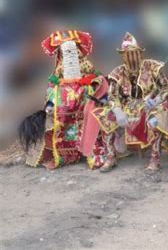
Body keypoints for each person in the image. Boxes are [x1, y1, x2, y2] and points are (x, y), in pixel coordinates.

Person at [93, 33, 168, 180]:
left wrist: (155, 100)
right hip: (126, 106)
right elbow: (112, 96)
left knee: (155, 120)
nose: (131, 57)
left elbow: (166, 89)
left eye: (134, 53)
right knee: (105, 116)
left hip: (149, 104)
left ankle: (155, 158)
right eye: (127, 54)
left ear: (140, 53)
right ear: (122, 56)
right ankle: (111, 156)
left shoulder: (152, 67)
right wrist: (118, 111)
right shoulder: (117, 73)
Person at [19, 30, 109, 169]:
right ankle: (66, 153)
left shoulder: (85, 64)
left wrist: (92, 82)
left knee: (89, 113)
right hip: (64, 97)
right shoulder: (60, 67)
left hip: (83, 94)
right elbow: (52, 84)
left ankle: (90, 150)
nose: (70, 54)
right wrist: (50, 102)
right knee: (60, 117)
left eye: (72, 50)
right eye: (66, 51)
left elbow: (97, 76)